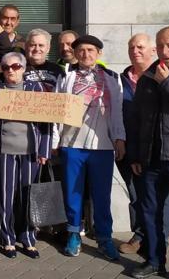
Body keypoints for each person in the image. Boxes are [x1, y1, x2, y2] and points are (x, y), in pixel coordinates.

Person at [53, 35, 125, 261]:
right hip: (72, 144)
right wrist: (55, 140)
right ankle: (74, 235)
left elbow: (117, 112)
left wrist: (119, 138)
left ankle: (104, 238)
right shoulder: (66, 76)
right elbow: (56, 108)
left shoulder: (112, 78)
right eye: (81, 50)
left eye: (91, 50)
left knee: (101, 195)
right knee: (73, 194)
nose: (86, 54)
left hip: (102, 146)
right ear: (75, 53)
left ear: (99, 53)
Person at [129, 27, 169, 279]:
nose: (164, 51)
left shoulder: (168, 76)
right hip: (152, 159)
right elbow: (139, 119)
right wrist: (137, 155)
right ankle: (154, 260)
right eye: (160, 46)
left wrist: (168, 82)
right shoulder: (148, 76)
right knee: (150, 212)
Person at [0, 52, 51, 259]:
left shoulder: (35, 88)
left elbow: (46, 122)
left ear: (23, 68)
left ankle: (29, 238)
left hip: (30, 152)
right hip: (5, 151)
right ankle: (8, 239)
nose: (10, 71)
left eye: (15, 66)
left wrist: (44, 150)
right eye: (6, 67)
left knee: (28, 197)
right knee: (6, 197)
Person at [118, 33, 169, 256]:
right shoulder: (119, 79)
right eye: (131, 47)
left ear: (153, 51)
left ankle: (161, 239)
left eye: (140, 47)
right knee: (135, 195)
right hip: (128, 148)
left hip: (158, 148)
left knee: (161, 197)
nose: (135, 51)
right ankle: (140, 235)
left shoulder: (163, 76)